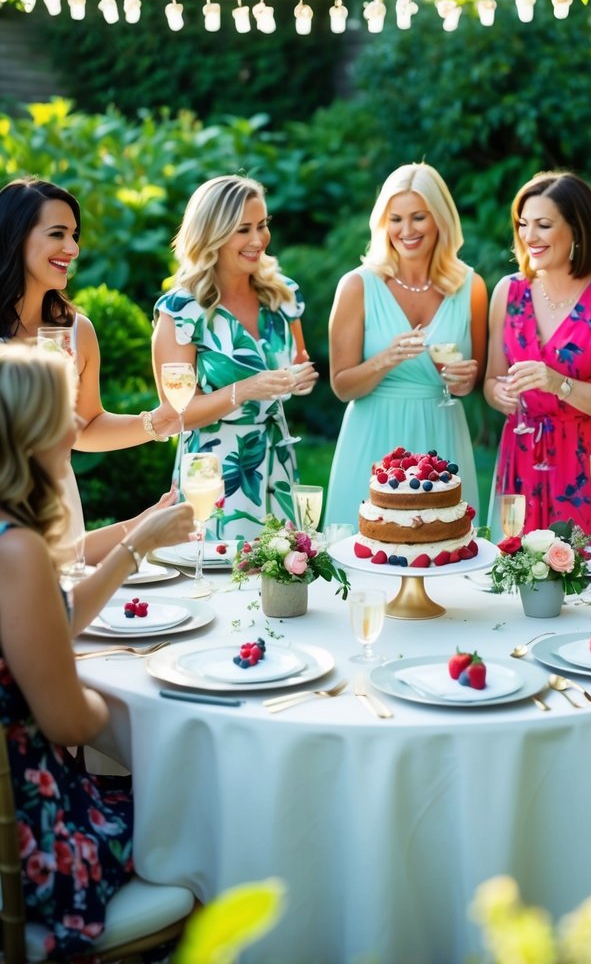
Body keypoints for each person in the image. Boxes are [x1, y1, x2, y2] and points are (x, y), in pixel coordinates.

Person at [0, 345, 193, 959]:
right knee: (206, 822)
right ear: (31, 429)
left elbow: (52, 616)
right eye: (63, 413)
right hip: (38, 836)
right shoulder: (17, 551)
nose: (74, 428)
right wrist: (130, 708)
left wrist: (136, 543)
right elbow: (68, 720)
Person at [0, 177, 180, 564]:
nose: (73, 248)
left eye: (75, 235)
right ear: (16, 237)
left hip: (57, 500)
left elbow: (84, 427)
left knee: (63, 610)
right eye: (58, 234)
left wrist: (154, 423)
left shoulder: (78, 332)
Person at [483, 170, 591, 548]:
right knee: (526, 578)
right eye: (523, 224)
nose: (529, 236)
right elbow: (493, 380)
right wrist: (500, 394)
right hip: (525, 455)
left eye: (543, 225)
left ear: (577, 229)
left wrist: (557, 383)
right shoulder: (507, 292)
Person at [153, 174, 318, 539]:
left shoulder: (282, 296)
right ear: (213, 233)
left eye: (262, 225)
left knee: (280, 581)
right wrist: (245, 389)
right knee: (214, 583)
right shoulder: (181, 312)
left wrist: (300, 378)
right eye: (243, 229)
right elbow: (173, 414)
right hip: (214, 472)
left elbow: (298, 361)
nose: (258, 240)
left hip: (278, 464)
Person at [326, 163, 487, 527]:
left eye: (418, 217)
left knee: (446, 554)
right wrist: (386, 360)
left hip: (441, 435)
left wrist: (464, 380)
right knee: (366, 558)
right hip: (373, 437)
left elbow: (469, 383)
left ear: (441, 220)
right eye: (395, 219)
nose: (407, 230)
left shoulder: (471, 287)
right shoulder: (357, 286)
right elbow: (341, 385)